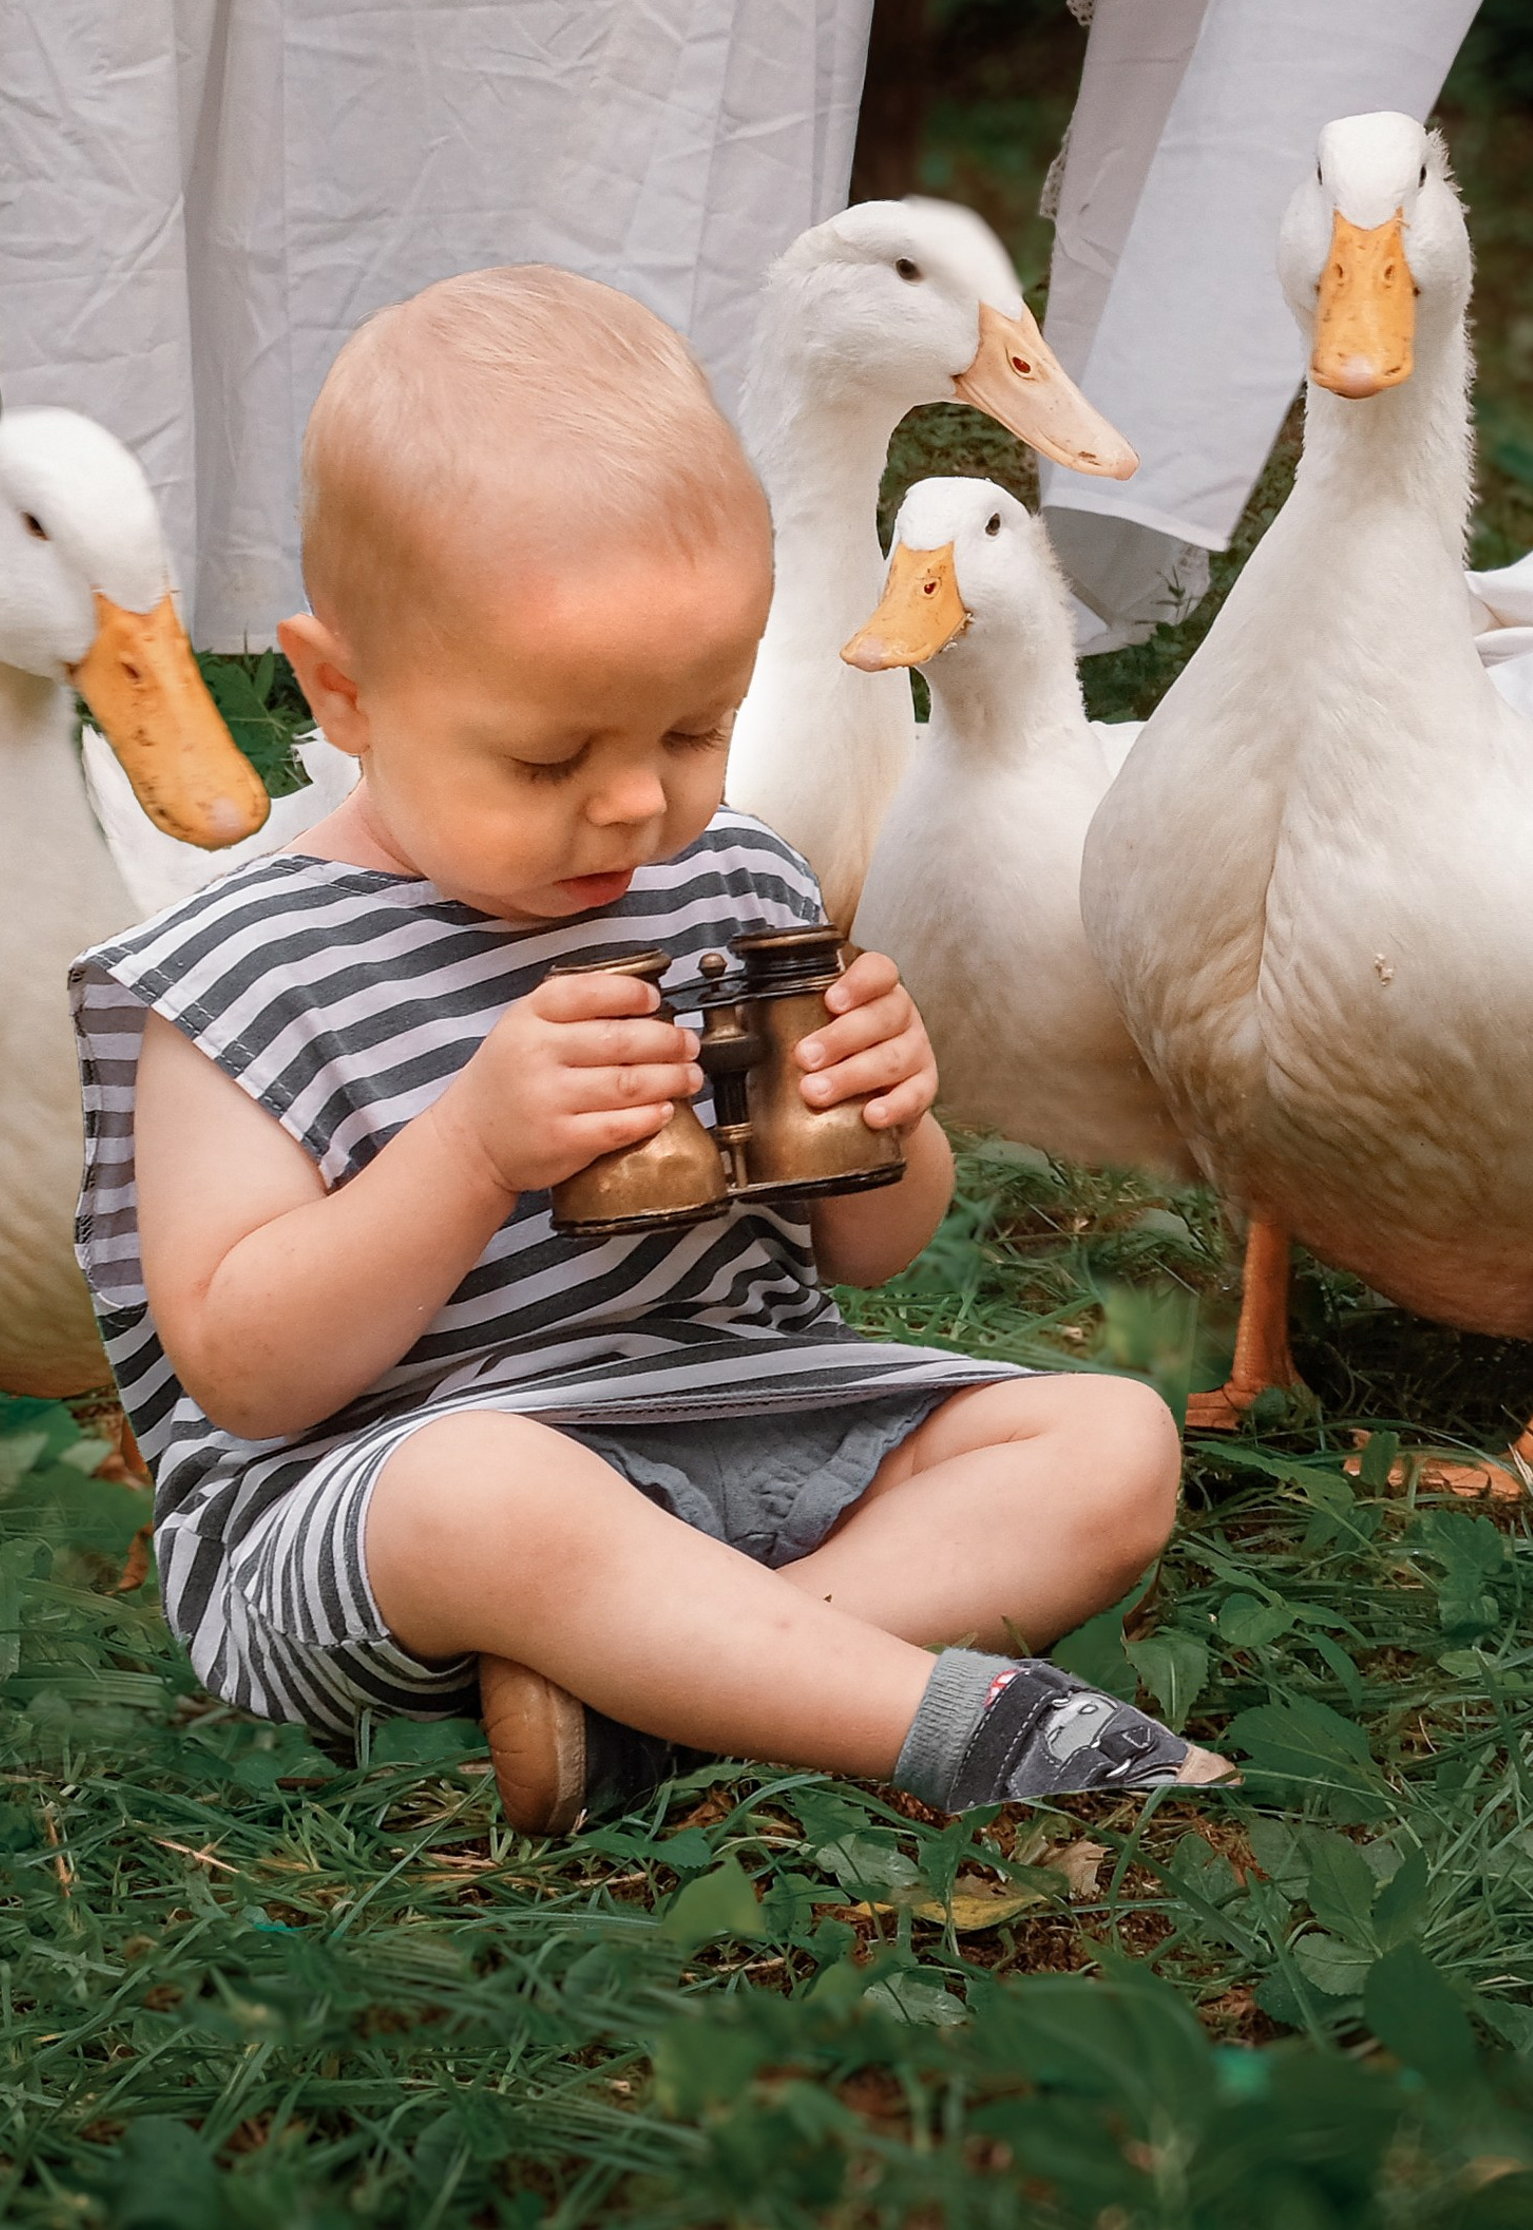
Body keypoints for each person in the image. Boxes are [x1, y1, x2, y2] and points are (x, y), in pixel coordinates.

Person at [71, 265, 1225, 1835]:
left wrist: (888, 1114)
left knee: (1108, 1442)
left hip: (757, 1419)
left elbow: (868, 1251)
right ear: (344, 690)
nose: (634, 806)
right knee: (486, 1493)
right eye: (550, 755)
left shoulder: (729, 881)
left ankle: (668, 1703)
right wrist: (471, 1156)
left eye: (694, 728)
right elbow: (248, 1371)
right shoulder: (237, 973)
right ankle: (950, 1721)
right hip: (397, 1502)